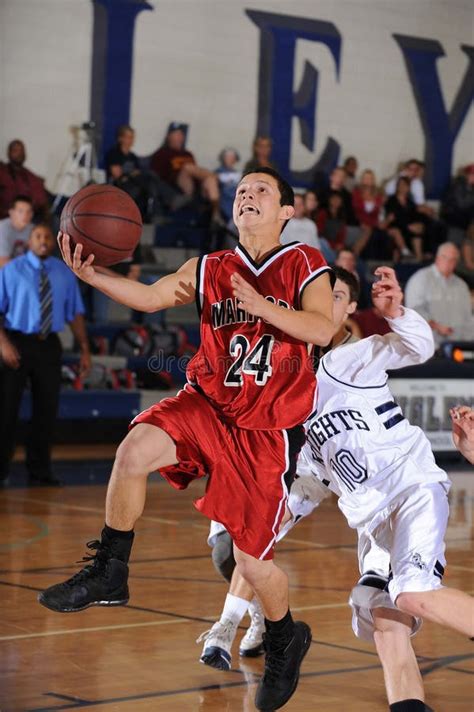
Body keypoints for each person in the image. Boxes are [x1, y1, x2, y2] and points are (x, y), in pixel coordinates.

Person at [38, 167, 334, 712]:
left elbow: (323, 330)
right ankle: (111, 569)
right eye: (242, 189)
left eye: (261, 190)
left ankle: (284, 638)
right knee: (133, 451)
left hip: (264, 430)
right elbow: (150, 298)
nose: (247, 194)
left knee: (251, 563)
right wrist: (94, 276)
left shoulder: (304, 263)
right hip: (207, 403)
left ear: (287, 212)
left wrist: (263, 306)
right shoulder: (210, 267)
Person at [203, 268, 474, 712]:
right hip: (373, 525)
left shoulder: (346, 361)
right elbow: (306, 488)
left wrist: (397, 313)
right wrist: (259, 527)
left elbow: (419, 347)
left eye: (336, 297)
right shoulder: (292, 409)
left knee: (411, 593)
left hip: (409, 489)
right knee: (383, 615)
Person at [198, 267, 360, 669]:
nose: (329, 302)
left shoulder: (357, 360)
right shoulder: (288, 332)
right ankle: (258, 615)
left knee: (251, 542)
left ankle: (223, 628)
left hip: (310, 469)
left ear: (351, 308)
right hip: (260, 451)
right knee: (224, 552)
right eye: (325, 294)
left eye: (338, 297)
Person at [0, 224, 90, 486]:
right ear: (29, 241)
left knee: (46, 410)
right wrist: (3, 344)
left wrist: (85, 348)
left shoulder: (64, 272)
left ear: (53, 242)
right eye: (37, 236)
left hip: (48, 344)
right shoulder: (11, 271)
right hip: (15, 342)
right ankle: (1, 469)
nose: (43, 240)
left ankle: (40, 471)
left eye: (47, 236)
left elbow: (75, 313)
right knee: (6, 409)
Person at [405, 242, 474, 348]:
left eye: (453, 259)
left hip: (458, 345)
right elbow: (413, 311)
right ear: (437, 258)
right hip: (428, 346)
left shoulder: (461, 285)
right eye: (445, 257)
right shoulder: (420, 279)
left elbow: (468, 317)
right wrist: (435, 325)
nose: (448, 262)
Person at [151, 122, 221, 224]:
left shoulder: (188, 154)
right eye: (177, 134)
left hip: (196, 189)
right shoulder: (161, 153)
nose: (180, 137)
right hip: (177, 188)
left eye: (182, 135)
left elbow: (196, 173)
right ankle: (217, 177)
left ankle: (216, 215)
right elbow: (157, 178)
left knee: (210, 181)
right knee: (187, 167)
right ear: (169, 136)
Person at [0, 140, 49, 220]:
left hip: (34, 214)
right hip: (10, 216)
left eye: (21, 151)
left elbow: (42, 200)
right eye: (15, 150)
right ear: (9, 153)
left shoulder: (31, 176)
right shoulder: (3, 172)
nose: (19, 153)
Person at [385, 177, 425, 260]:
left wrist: (418, 225)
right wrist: (408, 226)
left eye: (405, 185)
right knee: (397, 231)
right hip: (395, 227)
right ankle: (406, 253)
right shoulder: (391, 200)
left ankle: (419, 259)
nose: (403, 187)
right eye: (401, 185)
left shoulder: (410, 202)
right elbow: (394, 217)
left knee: (418, 232)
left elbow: (415, 216)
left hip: (408, 227)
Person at [0, 195, 34, 267]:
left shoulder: (33, 229)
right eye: (20, 211)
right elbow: (2, 262)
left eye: (28, 211)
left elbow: (37, 256)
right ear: (11, 212)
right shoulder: (2, 229)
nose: (25, 215)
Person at [215, 147, 241, 222]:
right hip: (225, 205)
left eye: (232, 157)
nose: (230, 159)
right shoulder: (218, 172)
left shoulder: (238, 174)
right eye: (228, 157)